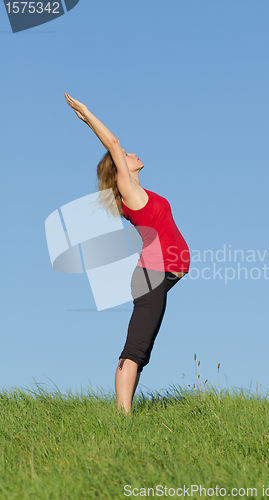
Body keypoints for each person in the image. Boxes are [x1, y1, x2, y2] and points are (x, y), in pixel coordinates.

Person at [64, 93, 190, 415]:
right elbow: (115, 143)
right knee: (135, 350)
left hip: (158, 276)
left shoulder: (138, 192)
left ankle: (125, 412)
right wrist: (87, 114)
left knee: (141, 349)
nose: (132, 153)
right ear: (118, 168)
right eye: (125, 155)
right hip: (152, 276)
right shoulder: (129, 191)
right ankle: (123, 417)